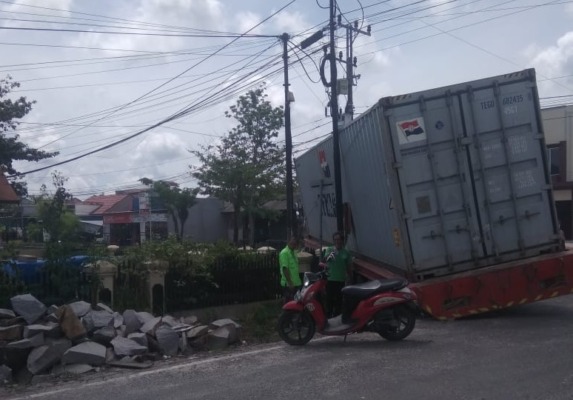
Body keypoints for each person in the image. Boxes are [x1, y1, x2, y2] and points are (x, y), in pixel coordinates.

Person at [324, 231, 353, 318]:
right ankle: (328, 317)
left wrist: (350, 278)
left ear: (342, 241)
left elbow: (349, 267)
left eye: (339, 239)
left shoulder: (346, 252)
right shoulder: (330, 249)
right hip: (330, 279)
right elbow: (326, 259)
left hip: (341, 280)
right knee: (329, 300)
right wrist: (332, 253)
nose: (337, 241)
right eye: (335, 239)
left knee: (339, 301)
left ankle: (337, 317)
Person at [279, 236, 302, 304]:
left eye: (295, 244)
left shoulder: (294, 252)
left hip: (297, 283)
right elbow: (285, 268)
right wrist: (290, 283)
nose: (293, 245)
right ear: (288, 242)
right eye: (292, 243)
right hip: (289, 285)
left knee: (297, 304)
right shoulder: (284, 253)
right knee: (289, 305)